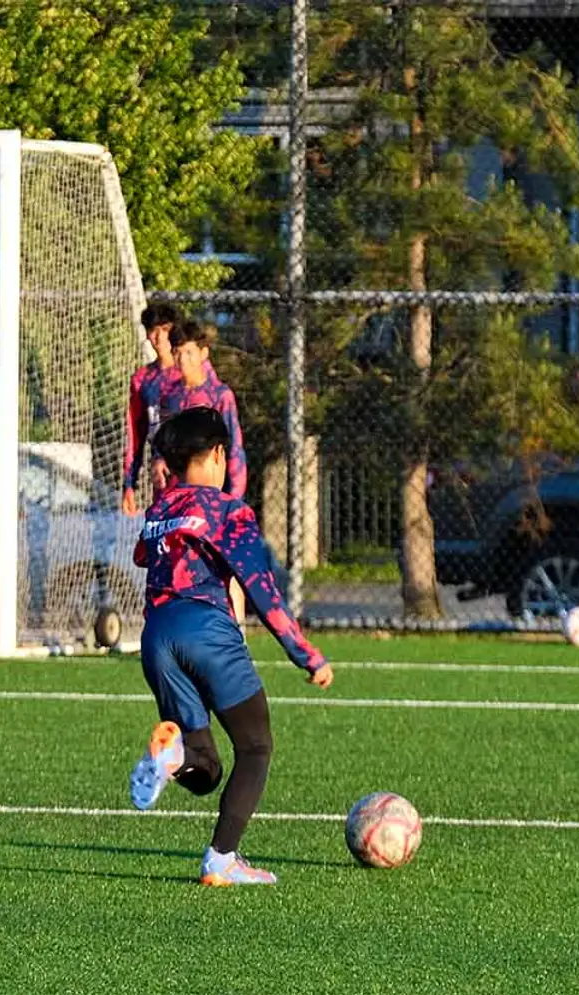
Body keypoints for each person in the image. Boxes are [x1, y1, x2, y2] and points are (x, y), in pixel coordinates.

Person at [126, 406, 332, 887]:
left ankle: (173, 757)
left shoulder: (160, 509)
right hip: (207, 630)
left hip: (156, 636)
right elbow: (261, 588)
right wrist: (306, 654)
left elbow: (141, 554)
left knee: (206, 765)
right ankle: (221, 859)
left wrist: (169, 499)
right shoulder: (228, 509)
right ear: (219, 454)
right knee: (256, 746)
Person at [158, 320, 248, 499]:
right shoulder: (169, 396)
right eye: (177, 352)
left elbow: (234, 449)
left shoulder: (220, 395)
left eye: (189, 352)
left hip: (210, 496)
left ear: (203, 353)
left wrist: (233, 499)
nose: (183, 360)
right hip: (175, 495)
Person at [122, 303, 184, 516]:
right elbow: (135, 435)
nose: (158, 337)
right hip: (162, 477)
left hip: (193, 474)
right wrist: (129, 484)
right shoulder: (143, 379)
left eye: (165, 330)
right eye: (153, 330)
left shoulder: (190, 373)